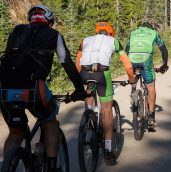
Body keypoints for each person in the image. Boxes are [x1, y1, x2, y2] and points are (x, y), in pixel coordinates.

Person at [0, 4, 86, 172]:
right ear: (49, 20)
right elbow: (66, 62)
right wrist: (79, 89)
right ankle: (53, 166)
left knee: (15, 132)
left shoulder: (17, 31)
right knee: (50, 121)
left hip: (5, 87)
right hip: (34, 88)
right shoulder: (54, 34)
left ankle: (7, 166)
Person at [76, 21, 135, 165]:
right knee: (107, 109)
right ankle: (108, 150)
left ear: (96, 32)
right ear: (110, 33)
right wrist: (132, 79)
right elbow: (127, 64)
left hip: (84, 73)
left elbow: (77, 63)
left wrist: (78, 84)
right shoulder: (114, 41)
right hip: (102, 74)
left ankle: (90, 116)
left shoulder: (85, 40)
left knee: (90, 97)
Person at [125, 22, 168, 129]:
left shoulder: (133, 33)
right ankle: (151, 118)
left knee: (134, 76)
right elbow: (164, 50)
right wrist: (164, 64)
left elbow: (126, 50)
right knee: (151, 87)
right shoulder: (154, 33)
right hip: (146, 59)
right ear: (150, 28)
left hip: (131, 59)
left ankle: (133, 90)